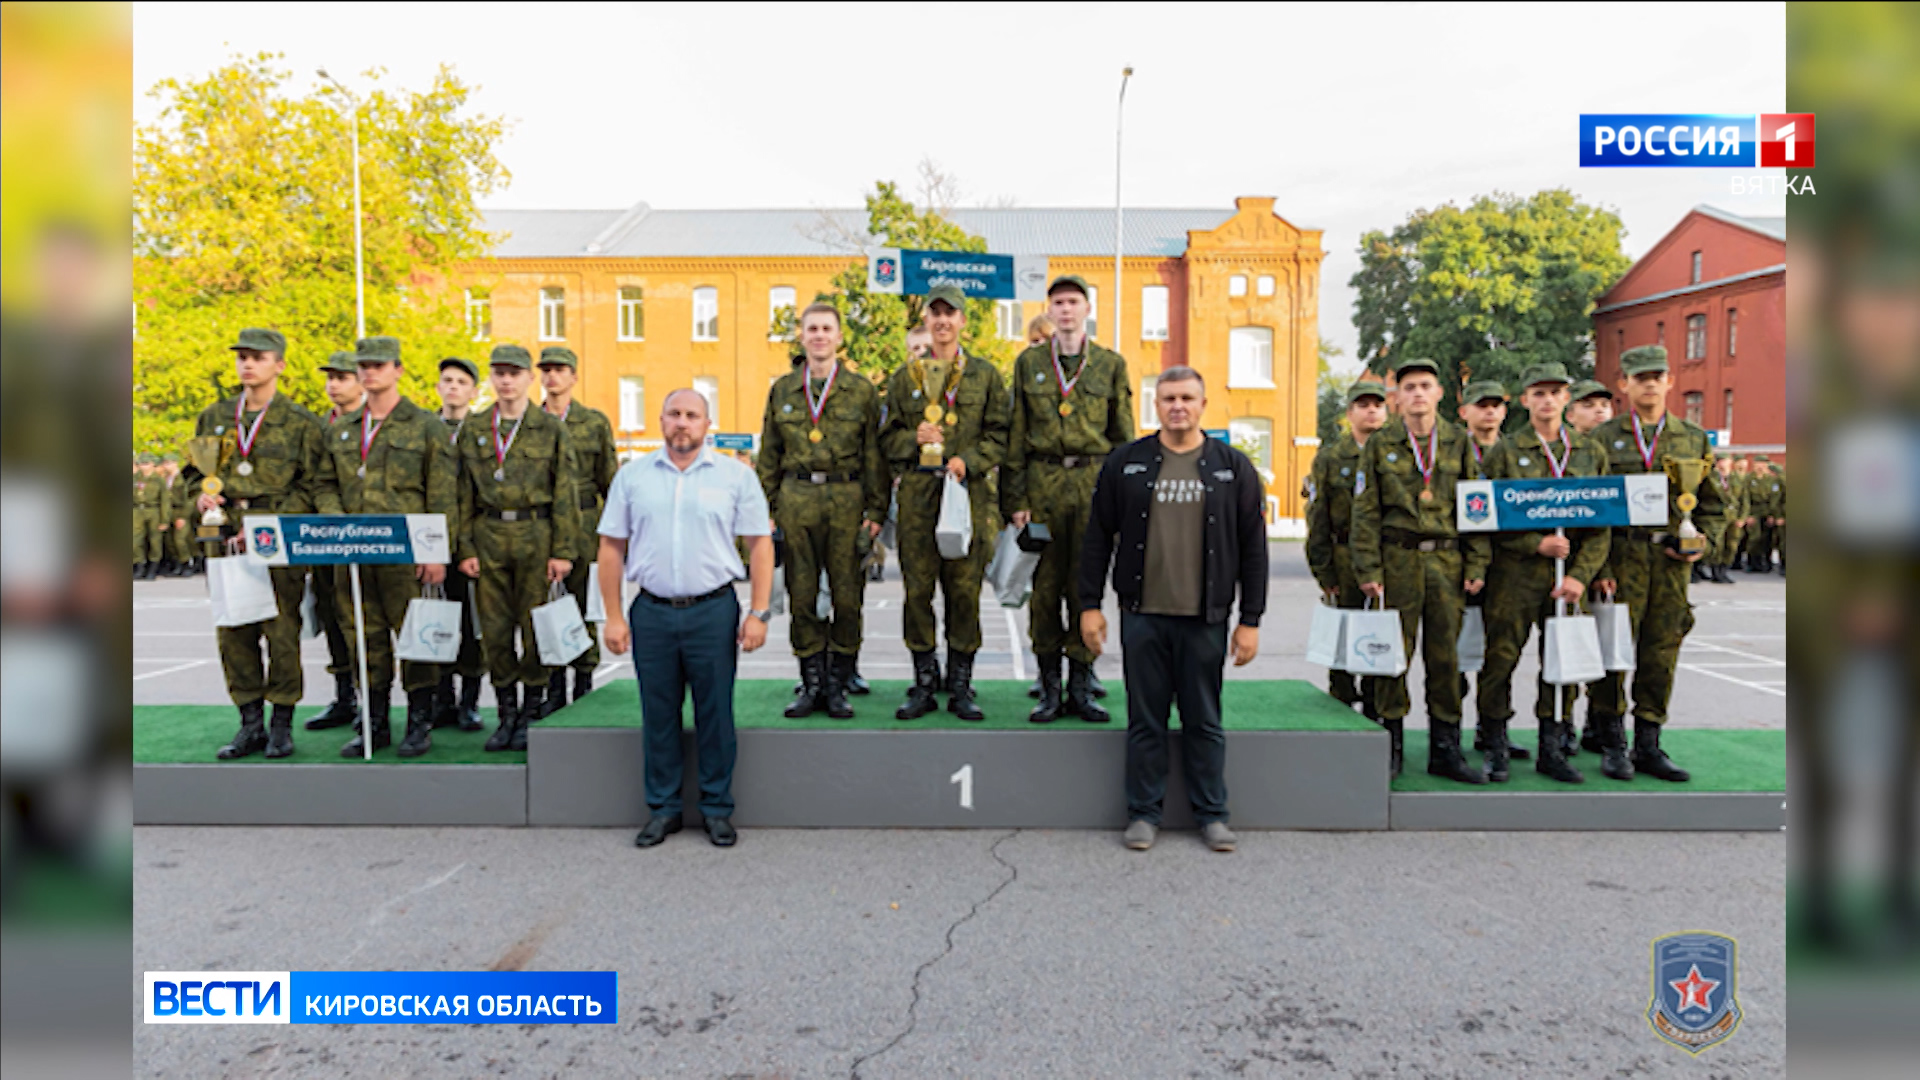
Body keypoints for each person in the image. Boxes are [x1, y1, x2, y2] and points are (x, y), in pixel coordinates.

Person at [1079, 366, 1266, 853]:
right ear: (1155, 405)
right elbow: (1098, 537)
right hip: (1143, 615)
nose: (1177, 406)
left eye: (1186, 397)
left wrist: (1250, 619)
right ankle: (1143, 813)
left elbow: (1254, 548)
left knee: (1204, 719)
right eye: (1167, 398)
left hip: (1205, 617)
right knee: (1147, 720)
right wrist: (1089, 606)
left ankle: (1213, 815)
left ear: (1204, 404)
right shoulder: (1127, 463)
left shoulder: (1232, 467)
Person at [598, 388, 774, 849]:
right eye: (674, 413)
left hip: (713, 611)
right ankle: (664, 809)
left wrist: (759, 612)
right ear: (660, 420)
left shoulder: (735, 477)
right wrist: (613, 617)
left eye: (691, 415)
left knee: (715, 712)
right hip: (651, 611)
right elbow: (610, 547)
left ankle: (716, 808)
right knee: (658, 714)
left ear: (706, 423)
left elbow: (760, 544)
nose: (682, 422)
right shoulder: (633, 477)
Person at [182, 328, 327, 760]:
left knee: (281, 631)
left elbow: (313, 486)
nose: (248, 364)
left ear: (279, 364)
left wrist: (268, 522)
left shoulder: (302, 422)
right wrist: (200, 497)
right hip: (224, 533)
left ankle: (281, 723)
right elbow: (192, 473)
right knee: (234, 632)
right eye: (242, 356)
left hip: (275, 537)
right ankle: (249, 724)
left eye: (258, 357)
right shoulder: (214, 416)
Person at [312, 336, 457, 757]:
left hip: (406, 555)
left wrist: (435, 552)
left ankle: (419, 722)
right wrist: (337, 525)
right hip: (353, 555)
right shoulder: (340, 429)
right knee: (363, 639)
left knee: (415, 637)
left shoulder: (425, 425)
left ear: (398, 369)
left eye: (379, 365)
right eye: (364, 365)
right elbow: (323, 484)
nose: (369, 372)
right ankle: (374, 724)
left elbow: (442, 493)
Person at [1350, 357, 1492, 784]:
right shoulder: (1381, 443)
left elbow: (1478, 509)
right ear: (1397, 396)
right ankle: (1389, 744)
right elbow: (1366, 511)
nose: (1416, 393)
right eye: (1408, 386)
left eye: (1425, 385)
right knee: (1392, 656)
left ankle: (1445, 749)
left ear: (1440, 393)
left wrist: (1477, 562)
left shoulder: (1459, 442)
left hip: (1447, 562)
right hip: (1398, 561)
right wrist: (1368, 568)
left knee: (1446, 659)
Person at [1588, 345, 1724, 782]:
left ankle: (1649, 742)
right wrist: (1599, 566)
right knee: (1612, 650)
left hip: (1669, 561)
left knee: (1661, 650)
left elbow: (1713, 504)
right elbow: (1590, 508)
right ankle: (1612, 742)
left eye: (1656, 375)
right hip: (1620, 557)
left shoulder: (1693, 437)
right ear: (1624, 385)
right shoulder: (1602, 439)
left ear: (1669, 381)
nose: (1649, 382)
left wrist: (1703, 541)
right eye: (1639, 376)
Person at [879, 283, 1011, 721]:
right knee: (917, 591)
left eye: (949, 314)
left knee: (964, 591)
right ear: (926, 322)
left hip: (967, 497)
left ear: (962, 322)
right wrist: (910, 438)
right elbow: (886, 438)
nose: (942, 321)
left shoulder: (985, 376)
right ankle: (923, 682)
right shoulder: (905, 378)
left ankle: (961, 684)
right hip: (919, 495)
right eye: (935, 313)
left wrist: (967, 461)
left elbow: (1000, 435)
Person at [1474, 363, 1610, 783]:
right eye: (1538, 393)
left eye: (1555, 392)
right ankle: (1495, 743)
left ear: (1566, 400)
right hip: (1514, 576)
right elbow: (1483, 517)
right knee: (1500, 661)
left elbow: (1602, 523)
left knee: (1563, 663)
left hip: (1566, 582)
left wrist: (1580, 576)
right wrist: (1533, 544)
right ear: (1525, 399)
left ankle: (1552, 746)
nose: (1547, 400)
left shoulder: (1590, 453)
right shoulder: (1505, 452)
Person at [1005, 275, 1131, 724]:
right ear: (1050, 309)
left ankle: (1082, 686)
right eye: (1058, 302)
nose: (1065, 310)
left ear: (1087, 308)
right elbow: (1016, 433)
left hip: (1092, 484)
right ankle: (1049, 689)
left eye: (1073, 302)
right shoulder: (1029, 363)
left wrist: (1121, 501)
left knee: (1086, 588)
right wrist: (1015, 498)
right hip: (1042, 484)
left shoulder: (1110, 365)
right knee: (1044, 592)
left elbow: (1122, 439)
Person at [758, 303, 887, 719]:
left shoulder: (861, 390)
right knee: (803, 595)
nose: (818, 336)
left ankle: (838, 682)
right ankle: (810, 681)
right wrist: (770, 507)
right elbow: (769, 454)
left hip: (847, 499)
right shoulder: (782, 390)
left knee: (848, 597)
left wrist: (876, 510)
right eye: (811, 328)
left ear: (839, 337)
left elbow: (874, 455)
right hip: (797, 498)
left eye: (826, 328)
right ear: (802, 336)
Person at [454, 343, 584, 752]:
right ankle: (505, 713)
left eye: (514, 373)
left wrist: (563, 550)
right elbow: (460, 494)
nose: (506, 380)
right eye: (499, 373)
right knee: (493, 631)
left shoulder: (550, 429)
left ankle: (530, 710)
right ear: (492, 378)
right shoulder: (475, 428)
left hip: (535, 535)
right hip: (489, 535)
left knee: (533, 630)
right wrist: (464, 548)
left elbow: (565, 492)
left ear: (530, 378)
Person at [537, 346, 619, 717]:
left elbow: (609, 481)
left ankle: (584, 680)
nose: (552, 376)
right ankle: (552, 684)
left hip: (585, 525)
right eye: (547, 370)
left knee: (583, 606)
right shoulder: (529, 423)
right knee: (547, 607)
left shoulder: (593, 422)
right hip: (542, 527)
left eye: (560, 370)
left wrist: (615, 535)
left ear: (574, 377)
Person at [1306, 381, 1388, 720]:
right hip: (1343, 559)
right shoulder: (1330, 458)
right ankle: (1341, 706)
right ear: (1349, 413)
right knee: (1342, 641)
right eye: (1363, 404)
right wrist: (1323, 572)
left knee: (1379, 639)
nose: (1371, 410)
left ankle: (1375, 707)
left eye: (1377, 404)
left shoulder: (1397, 454)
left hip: (1387, 560)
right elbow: (1317, 517)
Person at [1456, 379, 1526, 761]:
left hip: (1507, 565)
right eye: (1481, 405)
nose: (1490, 412)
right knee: (1455, 655)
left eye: (1496, 405)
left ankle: (1492, 728)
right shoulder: (1449, 451)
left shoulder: (1517, 453)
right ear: (1464, 410)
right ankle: (1450, 729)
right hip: (1462, 565)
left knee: (1500, 653)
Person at [302, 349, 368, 734]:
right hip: (323, 538)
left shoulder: (371, 424)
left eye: (341, 377)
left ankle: (367, 698)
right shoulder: (316, 428)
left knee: (359, 620)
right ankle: (343, 696)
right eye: (330, 378)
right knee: (331, 616)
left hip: (362, 538)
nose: (333, 385)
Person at [430, 356, 486, 731]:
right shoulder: (423, 428)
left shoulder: (482, 431)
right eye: (447, 380)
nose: (453, 387)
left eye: (461, 382)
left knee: (471, 624)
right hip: (432, 541)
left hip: (471, 543)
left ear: (474, 391)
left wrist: (469, 546)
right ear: (438, 387)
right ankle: (441, 698)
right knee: (435, 621)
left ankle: (469, 702)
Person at [1705, 452, 1743, 585]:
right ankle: (1716, 571)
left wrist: (1742, 517)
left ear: (1730, 462)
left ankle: (1725, 569)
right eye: (1720, 461)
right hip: (1717, 517)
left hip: (1733, 517)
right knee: (1718, 545)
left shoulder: (1736, 478)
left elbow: (1744, 499)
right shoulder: (1711, 477)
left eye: (1725, 460)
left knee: (1731, 545)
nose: (1722, 463)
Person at [158, 455, 193, 576]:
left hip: (179, 510)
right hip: (169, 511)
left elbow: (188, 500)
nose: (166, 466)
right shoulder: (165, 478)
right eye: (165, 463)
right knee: (169, 541)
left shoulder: (182, 479)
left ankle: (187, 563)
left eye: (169, 463)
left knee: (180, 540)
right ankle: (177, 564)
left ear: (175, 463)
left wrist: (183, 517)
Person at [132, 453, 165, 580]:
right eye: (141, 464)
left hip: (153, 510)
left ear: (152, 464)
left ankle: (153, 567)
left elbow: (165, 501)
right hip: (137, 510)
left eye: (146, 464)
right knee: (135, 540)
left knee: (155, 540)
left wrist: (164, 519)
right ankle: (139, 565)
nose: (144, 467)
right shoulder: (135, 478)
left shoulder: (159, 480)